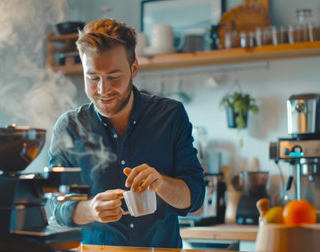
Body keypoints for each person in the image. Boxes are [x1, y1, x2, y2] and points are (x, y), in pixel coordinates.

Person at [48, 18, 205, 248]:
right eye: (92, 78)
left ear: (134, 68)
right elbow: (53, 206)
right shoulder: (70, 127)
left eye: (113, 77)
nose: (102, 90)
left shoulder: (170, 116)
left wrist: (161, 183)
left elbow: (195, 198)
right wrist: (89, 209)